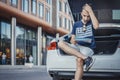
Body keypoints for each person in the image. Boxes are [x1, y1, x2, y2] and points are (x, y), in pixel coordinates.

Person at [58, 4, 99, 80]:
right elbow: (72, 40)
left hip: (88, 48)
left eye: (88, 16)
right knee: (60, 43)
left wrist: (90, 11)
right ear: (81, 14)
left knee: (79, 60)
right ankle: (86, 58)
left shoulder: (91, 23)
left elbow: (96, 26)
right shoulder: (76, 24)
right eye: (84, 16)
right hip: (77, 46)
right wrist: (73, 40)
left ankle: (84, 59)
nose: (86, 18)